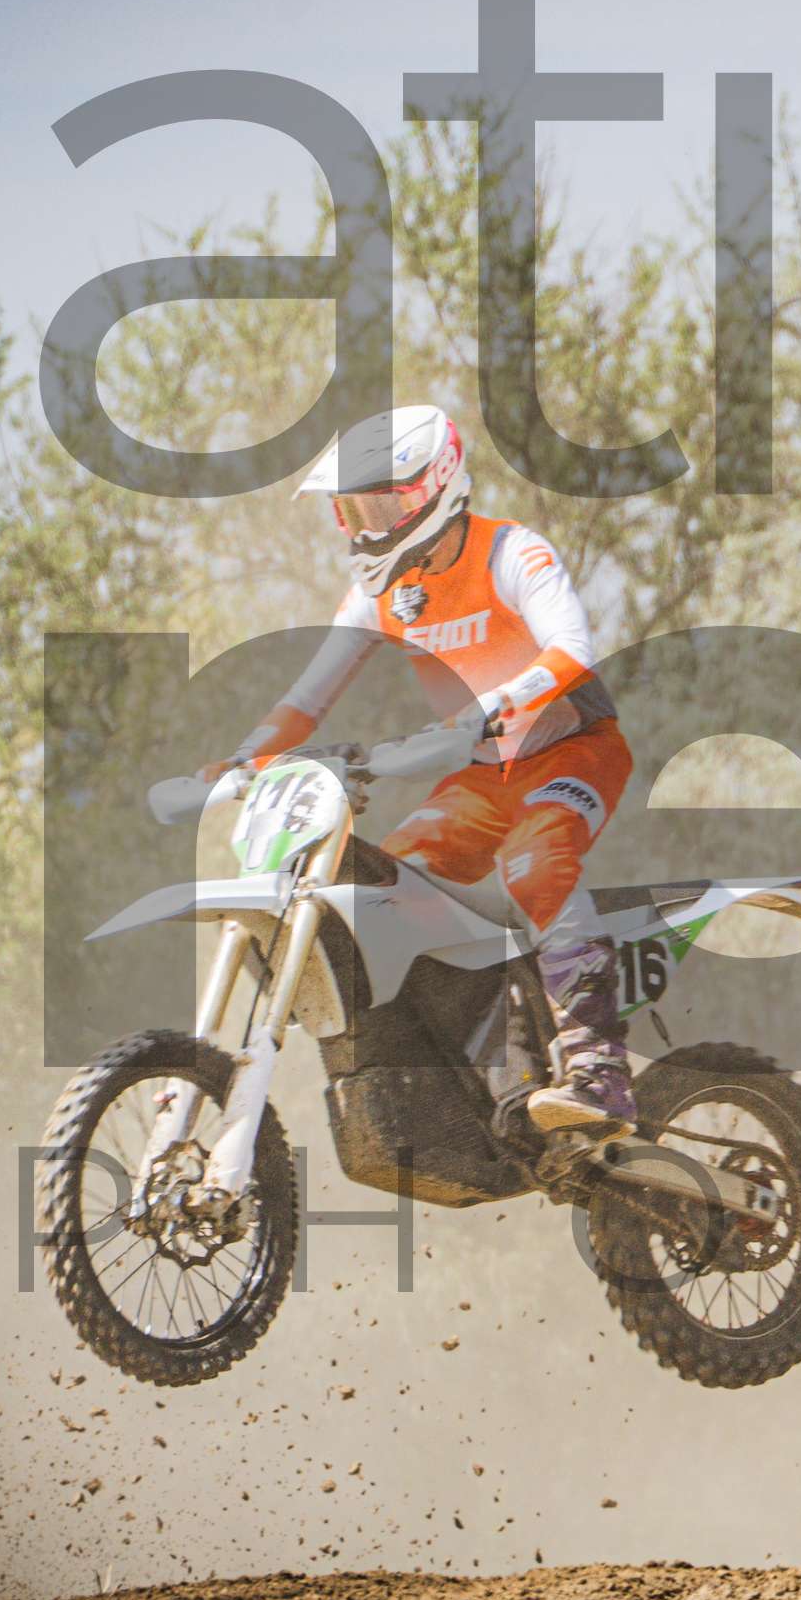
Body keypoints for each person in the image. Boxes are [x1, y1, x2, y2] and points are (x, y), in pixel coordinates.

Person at [205, 404, 638, 1146]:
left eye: (381, 506)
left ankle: (600, 1072)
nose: (367, 528)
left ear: (436, 485)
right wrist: (245, 759)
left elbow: (572, 649)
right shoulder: (378, 594)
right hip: (482, 777)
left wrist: (489, 708)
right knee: (386, 893)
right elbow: (307, 700)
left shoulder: (510, 552)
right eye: (352, 512)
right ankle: (489, 1075)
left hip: (572, 751)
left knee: (534, 861)